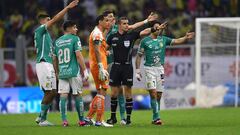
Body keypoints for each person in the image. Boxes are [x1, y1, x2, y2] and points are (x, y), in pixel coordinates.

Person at [104, 10, 158, 125]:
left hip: (127, 67)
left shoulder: (131, 35)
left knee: (128, 93)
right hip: (115, 67)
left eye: (127, 23)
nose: (127, 25)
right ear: (119, 25)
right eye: (124, 23)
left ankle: (128, 119)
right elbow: (104, 48)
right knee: (113, 93)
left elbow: (144, 31)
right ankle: (113, 118)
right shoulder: (112, 37)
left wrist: (154, 28)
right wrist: (105, 52)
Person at [135, 21, 195, 125]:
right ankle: (157, 117)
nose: (159, 29)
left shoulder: (163, 39)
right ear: (152, 29)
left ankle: (155, 118)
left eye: (160, 27)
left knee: (158, 95)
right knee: (153, 93)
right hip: (149, 69)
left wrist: (185, 37)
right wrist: (137, 70)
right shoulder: (145, 41)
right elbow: (139, 56)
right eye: (156, 27)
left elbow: (176, 41)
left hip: (160, 69)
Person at [34, 0, 79, 126]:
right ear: (42, 21)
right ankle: (42, 119)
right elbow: (55, 19)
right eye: (48, 19)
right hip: (43, 63)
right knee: (52, 91)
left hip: (47, 65)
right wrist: (68, 8)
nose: (50, 21)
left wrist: (56, 70)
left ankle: (41, 117)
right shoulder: (40, 30)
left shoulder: (47, 36)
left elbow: (54, 57)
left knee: (50, 92)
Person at [52, 20, 89, 127]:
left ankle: (64, 121)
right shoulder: (75, 39)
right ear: (68, 28)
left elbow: (54, 59)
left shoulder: (57, 41)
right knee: (77, 94)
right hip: (73, 71)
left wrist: (57, 72)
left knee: (63, 95)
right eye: (74, 27)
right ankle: (81, 120)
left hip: (62, 72)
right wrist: (85, 70)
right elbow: (78, 55)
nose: (76, 29)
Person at [85, 13, 112, 127]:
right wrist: (101, 66)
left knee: (101, 92)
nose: (108, 22)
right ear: (100, 21)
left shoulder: (99, 33)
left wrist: (105, 52)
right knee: (102, 92)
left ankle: (88, 118)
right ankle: (99, 121)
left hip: (98, 65)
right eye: (106, 20)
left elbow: (100, 48)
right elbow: (96, 50)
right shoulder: (96, 33)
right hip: (98, 66)